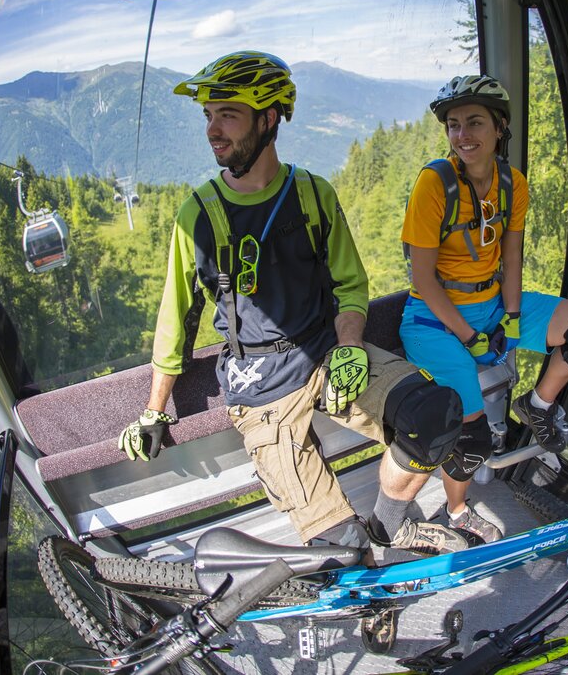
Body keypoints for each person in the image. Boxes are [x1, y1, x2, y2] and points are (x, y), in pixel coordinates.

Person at [117, 51, 470, 556]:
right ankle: (363, 563)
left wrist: (349, 347)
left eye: (228, 115)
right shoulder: (198, 215)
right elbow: (176, 318)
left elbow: (350, 285)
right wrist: (155, 411)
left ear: (268, 118)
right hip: (259, 390)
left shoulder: (312, 194)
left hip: (327, 355)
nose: (213, 130)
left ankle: (389, 528)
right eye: (208, 116)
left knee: (433, 414)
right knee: (340, 552)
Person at [400, 74, 568, 543]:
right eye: (453, 126)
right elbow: (422, 280)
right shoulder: (434, 184)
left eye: (474, 123)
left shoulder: (512, 185)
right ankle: (457, 514)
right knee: (471, 438)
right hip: (434, 321)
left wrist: (512, 318)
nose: (462, 136)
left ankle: (538, 404)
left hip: (492, 303)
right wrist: (470, 337)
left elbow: (511, 256)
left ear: (500, 128)